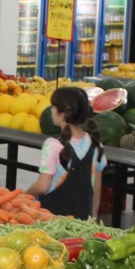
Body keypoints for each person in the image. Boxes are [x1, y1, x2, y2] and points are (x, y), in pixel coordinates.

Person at [23, 86, 104, 220]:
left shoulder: (53, 144)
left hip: (52, 221)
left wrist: (23, 196)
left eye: (54, 107)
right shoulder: (96, 144)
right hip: (83, 221)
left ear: (62, 115)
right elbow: (96, 187)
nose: (51, 110)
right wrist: (93, 215)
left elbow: (43, 186)